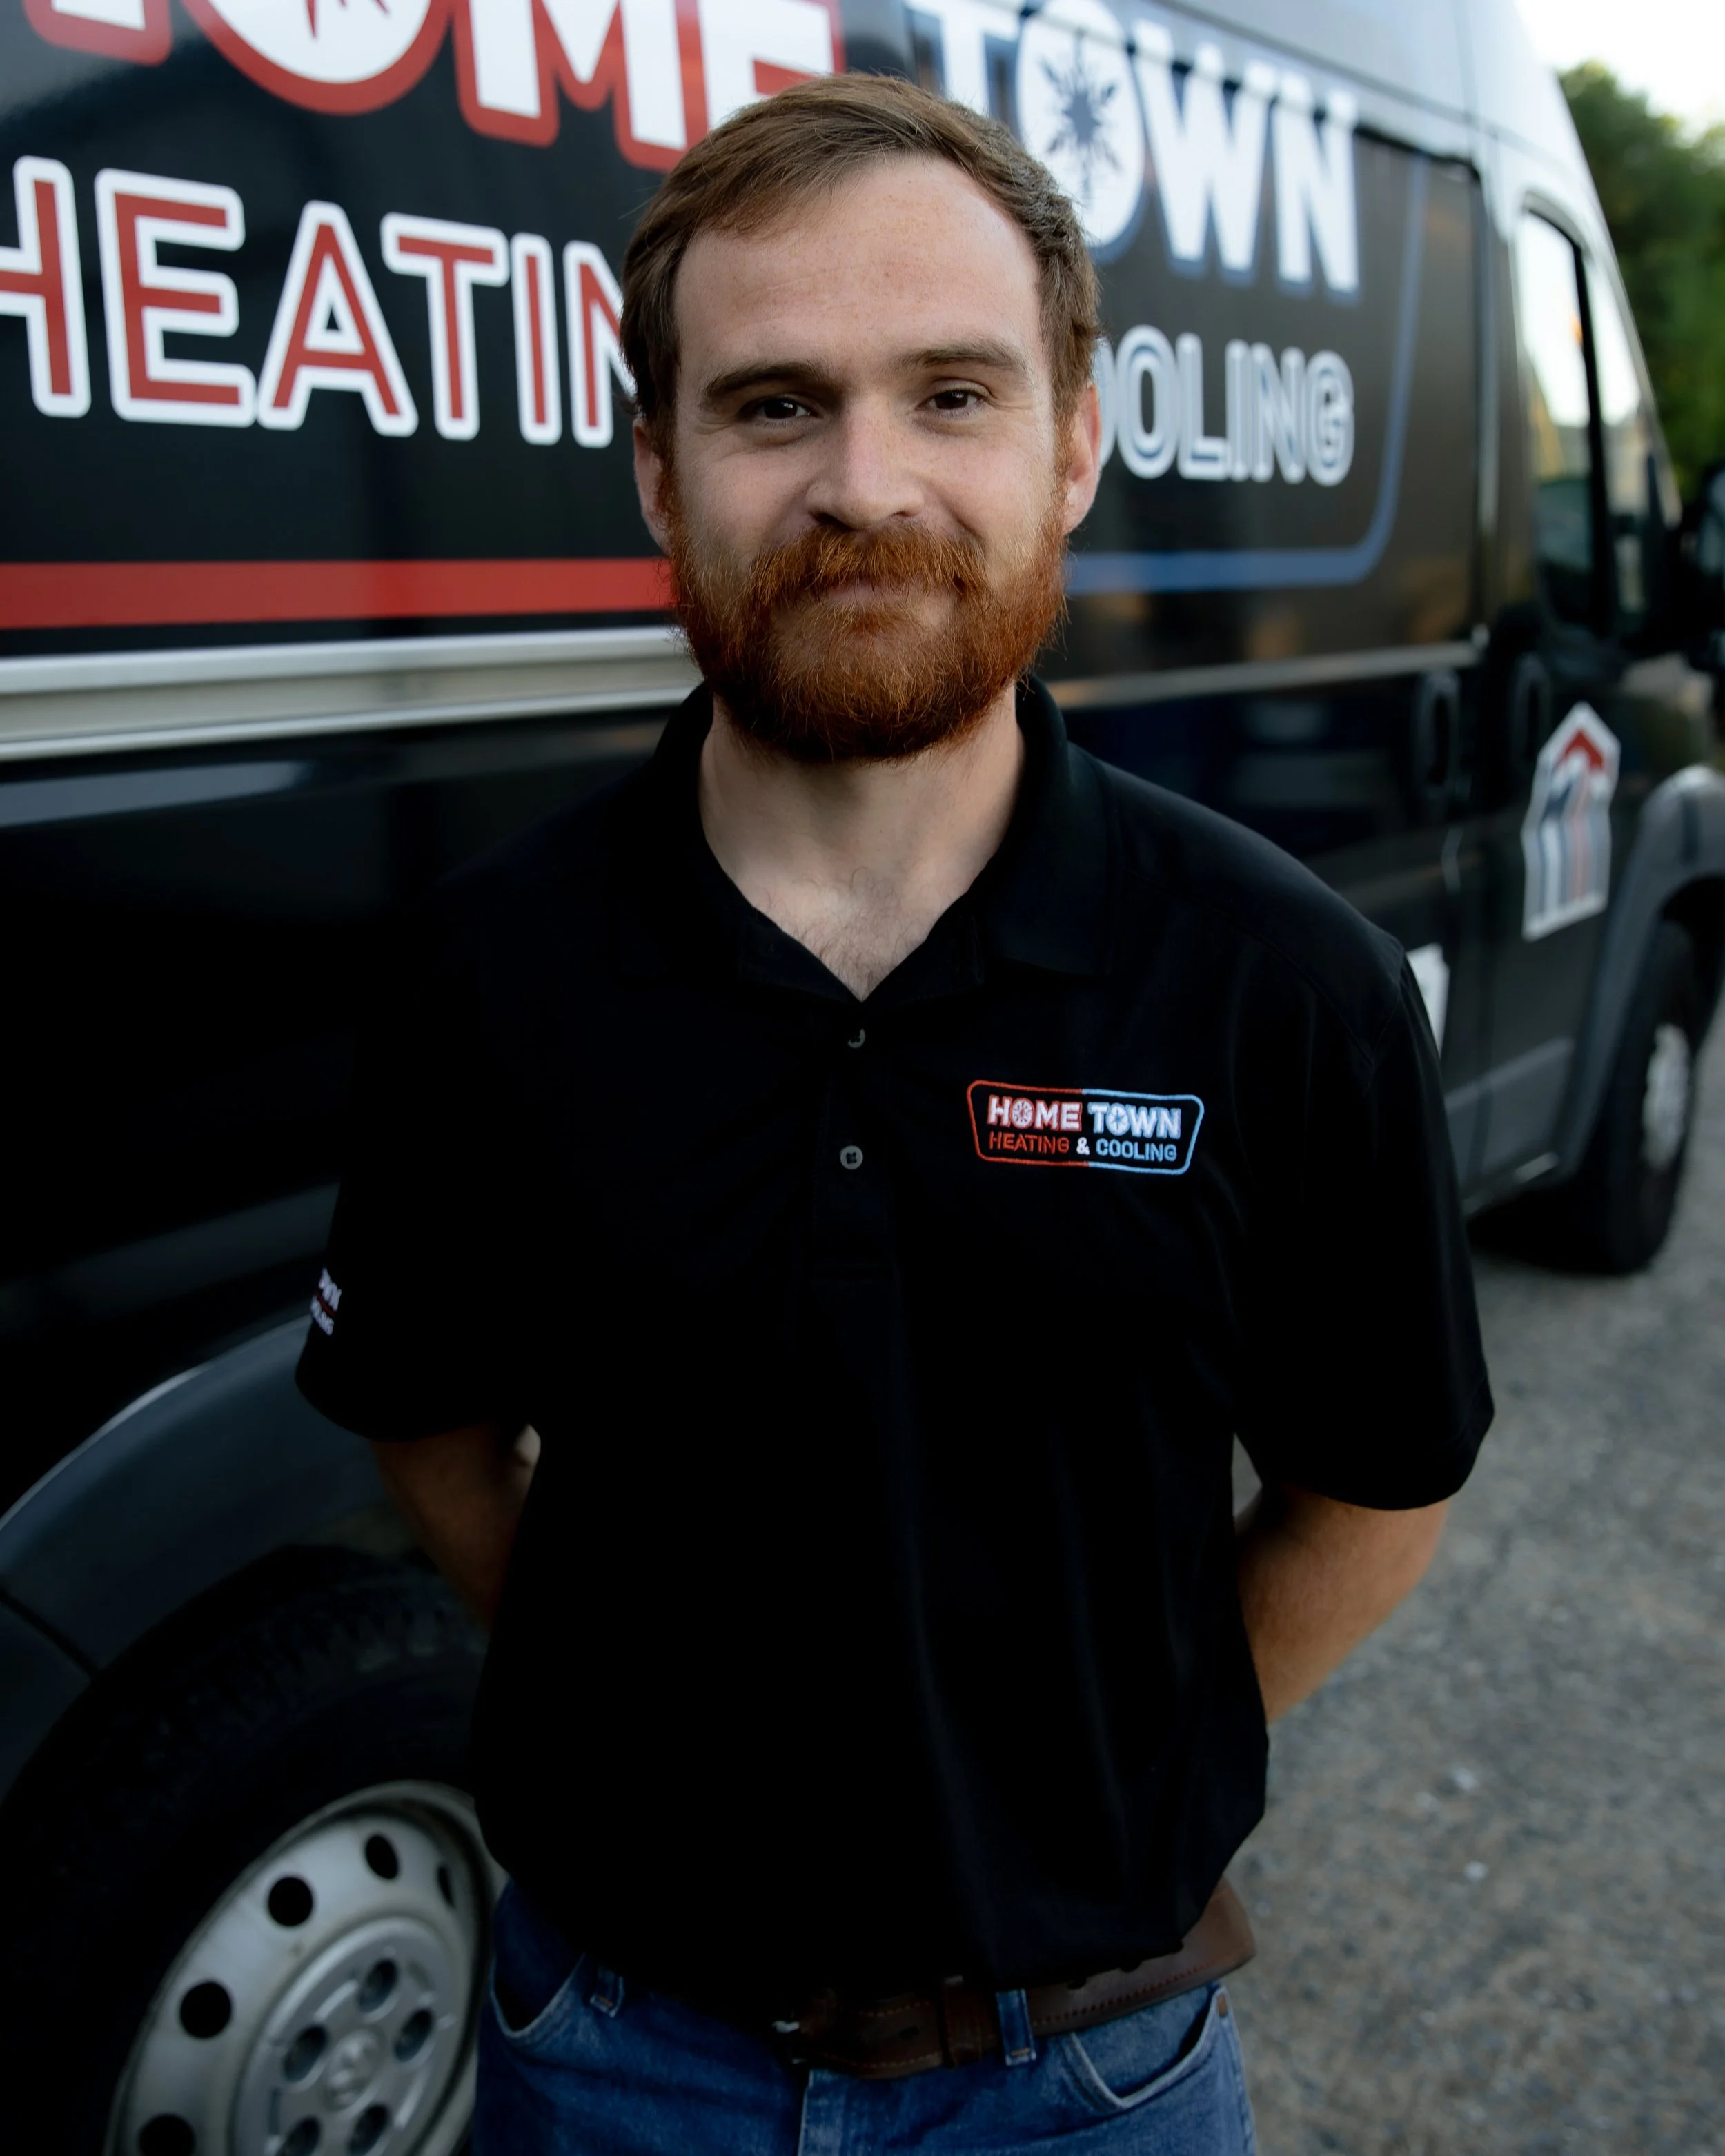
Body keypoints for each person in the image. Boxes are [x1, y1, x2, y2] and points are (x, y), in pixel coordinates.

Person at [297, 72, 1492, 2154]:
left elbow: (1369, 1490)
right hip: (604, 2051)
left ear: (1074, 441)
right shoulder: (488, 971)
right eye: (774, 406)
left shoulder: (1279, 984)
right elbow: (438, 1428)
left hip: (1097, 2075)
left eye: (951, 393)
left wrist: (1097, 1763)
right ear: (657, 473)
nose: (866, 483)